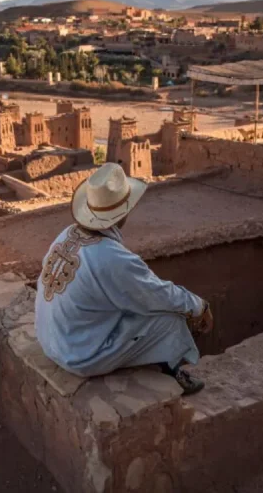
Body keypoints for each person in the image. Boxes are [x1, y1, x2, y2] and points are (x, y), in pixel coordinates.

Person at [35, 163, 213, 395]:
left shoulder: (67, 234)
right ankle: (171, 373)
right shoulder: (112, 257)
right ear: (123, 212)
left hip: (51, 341)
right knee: (169, 318)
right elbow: (158, 295)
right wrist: (199, 306)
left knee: (136, 304)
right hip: (78, 355)